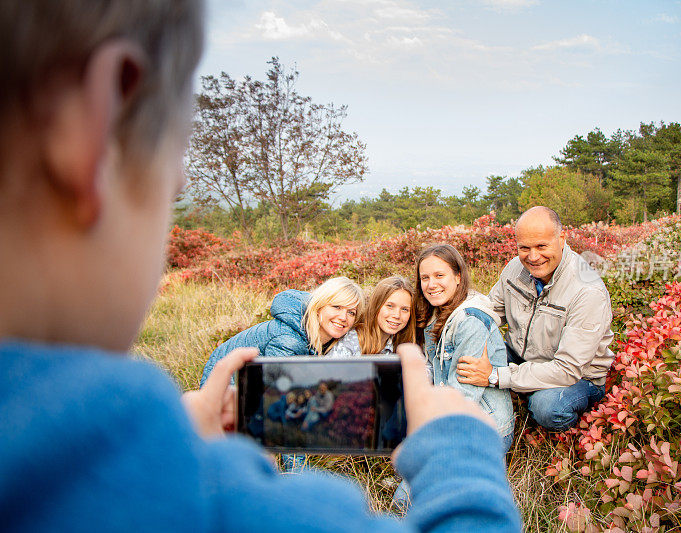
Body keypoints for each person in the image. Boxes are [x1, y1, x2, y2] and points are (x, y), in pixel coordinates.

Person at [0, 1, 521, 531]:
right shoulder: (205, 499)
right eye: (174, 170)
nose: (177, 186)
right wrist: (458, 448)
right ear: (93, 122)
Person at [457, 206, 614, 432]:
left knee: (547, 407)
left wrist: (495, 376)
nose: (533, 257)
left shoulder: (587, 291)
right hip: (520, 357)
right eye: (524, 248)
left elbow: (567, 369)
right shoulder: (514, 268)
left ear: (561, 238)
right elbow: (490, 313)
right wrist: (459, 324)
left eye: (541, 246)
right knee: (467, 355)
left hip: (578, 378)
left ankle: (568, 427)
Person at [414, 245, 515, 448]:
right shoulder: (435, 314)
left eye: (439, 275)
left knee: (421, 470)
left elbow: (464, 395)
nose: (431, 284)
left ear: (458, 276)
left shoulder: (471, 320)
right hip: (452, 415)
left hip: (485, 425)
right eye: (425, 278)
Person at [201, 276, 364, 385]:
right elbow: (275, 391)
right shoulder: (290, 340)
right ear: (319, 306)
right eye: (337, 307)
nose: (343, 317)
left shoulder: (317, 336)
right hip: (223, 389)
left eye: (351, 312)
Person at [328, 275, 416, 357]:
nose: (397, 315)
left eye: (404, 309)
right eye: (390, 306)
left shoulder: (405, 342)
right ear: (376, 305)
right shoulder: (353, 341)